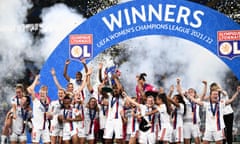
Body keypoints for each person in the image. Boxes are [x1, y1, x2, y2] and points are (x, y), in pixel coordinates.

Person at [176, 79, 207, 144]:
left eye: (192, 92)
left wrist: (205, 85)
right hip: (186, 123)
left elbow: (203, 94)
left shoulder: (197, 100)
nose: (190, 93)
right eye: (189, 92)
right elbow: (179, 92)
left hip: (195, 123)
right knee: (186, 142)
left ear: (195, 94)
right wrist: (178, 83)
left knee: (197, 141)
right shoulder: (185, 100)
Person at [27, 75, 52, 144]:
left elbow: (51, 116)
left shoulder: (48, 103)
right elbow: (29, 89)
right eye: (40, 92)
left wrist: (50, 115)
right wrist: (36, 79)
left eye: (44, 92)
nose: (42, 94)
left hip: (45, 127)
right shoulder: (35, 100)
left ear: (46, 94)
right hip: (36, 127)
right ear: (39, 93)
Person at [103, 74, 125, 144]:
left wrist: (115, 78)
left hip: (118, 120)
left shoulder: (122, 97)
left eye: (116, 89)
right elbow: (102, 90)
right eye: (114, 89)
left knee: (119, 140)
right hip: (109, 120)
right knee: (107, 140)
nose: (115, 90)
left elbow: (121, 89)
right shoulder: (110, 97)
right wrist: (104, 81)